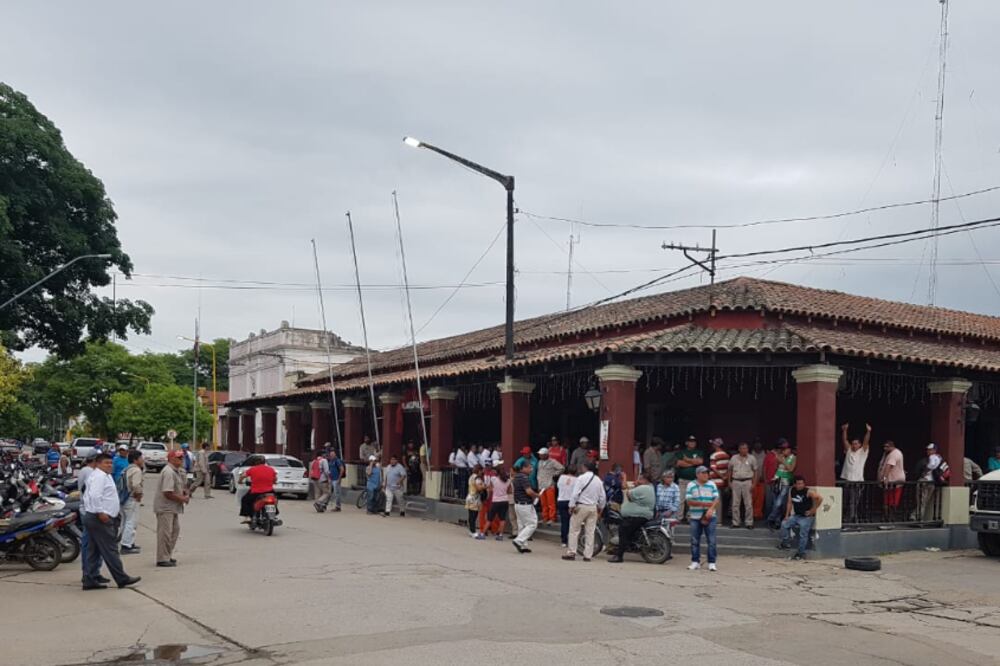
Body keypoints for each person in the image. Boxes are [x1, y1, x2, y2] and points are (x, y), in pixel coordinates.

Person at [80, 454, 140, 590]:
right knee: (110, 549)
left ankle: (90, 578)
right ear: (98, 464)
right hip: (99, 518)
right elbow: (94, 496)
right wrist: (100, 512)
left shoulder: (102, 475)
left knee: (93, 550)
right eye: (106, 463)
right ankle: (121, 578)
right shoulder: (99, 476)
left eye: (111, 463)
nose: (110, 465)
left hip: (96, 516)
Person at [562, 460, 606, 562]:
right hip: (593, 507)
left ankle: (572, 552)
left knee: (574, 530)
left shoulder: (581, 478)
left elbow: (575, 494)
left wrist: (571, 506)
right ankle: (588, 555)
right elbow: (603, 497)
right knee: (590, 532)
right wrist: (601, 508)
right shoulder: (598, 480)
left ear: (585, 467)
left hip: (581, 506)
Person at [609, 471, 656, 563]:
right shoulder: (649, 487)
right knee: (628, 530)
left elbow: (629, 495)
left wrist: (628, 481)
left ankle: (619, 556)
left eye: (639, 479)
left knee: (623, 530)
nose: (637, 480)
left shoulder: (644, 488)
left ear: (644, 479)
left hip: (638, 516)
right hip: (642, 515)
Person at [156, 450, 190, 567]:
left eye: (182, 458)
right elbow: (167, 492)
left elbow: (179, 487)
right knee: (165, 534)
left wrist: (184, 492)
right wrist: (182, 499)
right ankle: (162, 558)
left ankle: (167, 555)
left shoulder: (177, 471)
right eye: (178, 458)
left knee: (174, 531)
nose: (181, 460)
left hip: (173, 507)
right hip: (166, 507)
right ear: (171, 459)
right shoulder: (169, 472)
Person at [778, 476, 821, 560]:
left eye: (801, 483)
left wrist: (813, 510)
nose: (800, 485)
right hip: (796, 515)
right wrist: (787, 515)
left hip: (806, 517)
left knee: (803, 533)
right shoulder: (792, 490)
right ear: (795, 484)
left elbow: (819, 498)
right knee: (784, 524)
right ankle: (785, 543)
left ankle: (801, 553)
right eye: (798, 484)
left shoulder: (808, 491)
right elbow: (789, 503)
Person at [686, 466, 720, 571]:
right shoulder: (691, 485)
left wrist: (711, 509)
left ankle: (712, 562)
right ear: (697, 474)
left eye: (707, 473)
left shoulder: (712, 484)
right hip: (695, 516)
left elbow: (716, 499)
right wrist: (704, 503)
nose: (706, 475)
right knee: (695, 540)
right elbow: (689, 501)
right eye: (703, 473)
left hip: (710, 516)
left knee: (711, 540)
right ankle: (695, 561)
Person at [840, 423, 871, 524]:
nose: (854, 445)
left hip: (857, 481)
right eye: (853, 443)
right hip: (847, 480)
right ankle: (846, 518)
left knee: (853, 502)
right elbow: (844, 441)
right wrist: (844, 430)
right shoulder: (849, 450)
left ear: (860, 445)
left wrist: (868, 432)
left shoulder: (863, 452)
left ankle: (851, 519)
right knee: (845, 501)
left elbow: (866, 441)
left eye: (856, 443)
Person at [767, 440, 796, 529]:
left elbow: (791, 469)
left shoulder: (794, 458)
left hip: (786, 482)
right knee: (776, 502)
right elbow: (777, 468)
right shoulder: (780, 457)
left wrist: (783, 461)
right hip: (777, 481)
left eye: (786, 450)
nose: (784, 451)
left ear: (789, 450)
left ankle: (770, 518)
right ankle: (777, 522)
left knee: (779, 503)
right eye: (783, 450)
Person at [120, 450, 144, 555]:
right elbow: (136, 485)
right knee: (131, 521)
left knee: (126, 521)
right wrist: (138, 495)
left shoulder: (127, 469)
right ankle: (126, 545)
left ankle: (129, 542)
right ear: (135, 459)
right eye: (141, 458)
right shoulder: (136, 470)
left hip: (125, 498)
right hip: (131, 498)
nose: (142, 460)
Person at [512, 460, 540, 554]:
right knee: (532, 524)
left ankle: (523, 545)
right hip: (525, 504)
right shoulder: (524, 477)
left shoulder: (517, 477)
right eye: (529, 467)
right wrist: (536, 495)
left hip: (518, 504)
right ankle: (519, 540)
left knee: (522, 525)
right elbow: (528, 491)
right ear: (524, 468)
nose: (531, 469)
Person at [728, 442, 757, 528]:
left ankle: (749, 523)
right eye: (743, 448)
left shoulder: (752, 458)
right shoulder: (734, 458)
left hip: (747, 481)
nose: (745, 450)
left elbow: (755, 471)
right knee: (735, 503)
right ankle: (736, 522)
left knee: (748, 503)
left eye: (746, 448)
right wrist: (729, 482)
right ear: (739, 449)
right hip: (736, 481)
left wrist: (754, 483)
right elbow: (729, 470)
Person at [675, 436, 704, 521]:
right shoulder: (681, 452)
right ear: (686, 443)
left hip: (694, 480)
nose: (692, 443)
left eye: (694, 441)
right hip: (682, 479)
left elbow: (700, 462)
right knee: (681, 499)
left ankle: (690, 517)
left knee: (692, 500)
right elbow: (679, 463)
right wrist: (693, 462)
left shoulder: (698, 452)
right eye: (690, 441)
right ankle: (679, 518)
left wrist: (687, 459)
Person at [877, 440, 906, 521]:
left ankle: (890, 518)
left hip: (894, 482)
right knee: (886, 501)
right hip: (889, 483)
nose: (885, 448)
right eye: (884, 446)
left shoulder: (894, 454)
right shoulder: (887, 454)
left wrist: (885, 478)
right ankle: (886, 517)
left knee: (892, 501)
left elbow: (889, 466)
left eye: (887, 447)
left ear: (891, 446)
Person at [536, 447, 564, 525]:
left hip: (549, 484)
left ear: (546, 454)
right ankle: (545, 517)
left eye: (541, 454)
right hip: (541, 485)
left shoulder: (552, 461)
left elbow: (561, 468)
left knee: (551, 503)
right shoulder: (539, 462)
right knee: (543, 503)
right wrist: (538, 484)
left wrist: (554, 474)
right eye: (540, 454)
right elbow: (538, 473)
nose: (540, 456)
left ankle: (552, 518)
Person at [917, 443, 942, 521]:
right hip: (932, 482)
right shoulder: (940, 458)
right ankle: (915, 516)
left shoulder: (931, 458)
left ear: (934, 450)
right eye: (928, 449)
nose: (928, 451)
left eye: (930, 450)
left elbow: (931, 465)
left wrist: (926, 470)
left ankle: (918, 518)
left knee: (921, 501)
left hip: (925, 480)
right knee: (924, 501)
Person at [486, 467, 512, 541]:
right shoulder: (508, 481)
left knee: (490, 518)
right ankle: (500, 535)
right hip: (505, 500)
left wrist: (494, 490)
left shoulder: (493, 479)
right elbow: (510, 491)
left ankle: (482, 533)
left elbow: (490, 488)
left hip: (496, 501)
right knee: (502, 519)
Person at [556, 466, 577, 548]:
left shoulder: (561, 477)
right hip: (570, 501)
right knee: (572, 521)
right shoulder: (577, 479)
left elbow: (558, 486)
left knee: (564, 521)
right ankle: (571, 539)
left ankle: (563, 540)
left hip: (561, 500)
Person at [465, 464, 486, 539]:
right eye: (481, 471)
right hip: (475, 498)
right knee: (474, 515)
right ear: (479, 470)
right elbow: (479, 488)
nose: (482, 472)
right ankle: (473, 531)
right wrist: (485, 486)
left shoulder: (471, 476)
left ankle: (471, 531)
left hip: (470, 496)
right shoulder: (477, 478)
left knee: (471, 515)